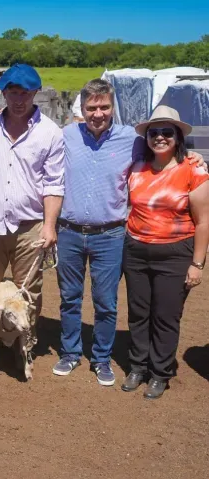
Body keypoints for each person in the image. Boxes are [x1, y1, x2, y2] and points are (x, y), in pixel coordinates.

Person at [53, 79, 206, 386]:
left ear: (113, 107)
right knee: (69, 298)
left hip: (110, 235)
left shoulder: (132, 140)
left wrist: (193, 156)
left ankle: (101, 357)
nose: (98, 113)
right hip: (69, 231)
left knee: (106, 301)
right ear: (82, 109)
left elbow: (167, 152)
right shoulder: (67, 135)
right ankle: (70, 352)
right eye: (91, 107)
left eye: (104, 107)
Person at [0, 64, 65, 364]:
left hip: (29, 224)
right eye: (13, 93)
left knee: (29, 290)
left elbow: (54, 184)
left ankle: (25, 341)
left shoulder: (50, 133)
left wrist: (49, 225)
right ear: (4, 94)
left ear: (35, 93)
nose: (19, 100)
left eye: (25, 93)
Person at [121, 106, 209, 400]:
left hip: (175, 252)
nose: (160, 137)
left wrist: (197, 263)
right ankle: (138, 366)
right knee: (138, 312)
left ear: (177, 137)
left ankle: (160, 372)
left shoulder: (193, 169)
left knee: (166, 315)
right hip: (136, 249)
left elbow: (204, 221)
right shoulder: (137, 167)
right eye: (154, 132)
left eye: (167, 132)